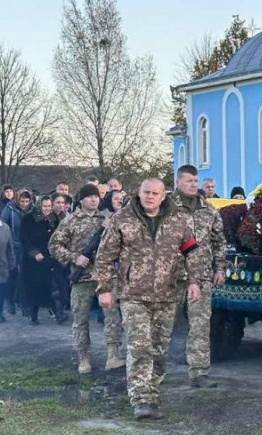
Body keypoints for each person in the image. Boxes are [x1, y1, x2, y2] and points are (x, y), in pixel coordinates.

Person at [94, 178, 204, 419]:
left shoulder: (180, 220)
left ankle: (150, 390)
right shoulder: (122, 219)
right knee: (140, 346)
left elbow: (192, 253)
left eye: (155, 193)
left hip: (167, 294)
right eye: (146, 192)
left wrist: (195, 281)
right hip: (133, 295)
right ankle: (142, 399)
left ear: (163, 195)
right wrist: (104, 288)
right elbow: (104, 257)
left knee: (159, 349)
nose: (150, 197)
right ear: (139, 193)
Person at [50, 183, 124, 374]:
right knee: (81, 319)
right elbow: (54, 245)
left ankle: (112, 355)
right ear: (81, 200)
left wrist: (111, 229)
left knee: (112, 317)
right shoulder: (70, 221)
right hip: (82, 278)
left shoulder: (107, 219)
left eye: (96, 197)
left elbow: (121, 244)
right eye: (89, 197)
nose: (94, 200)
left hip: (106, 276)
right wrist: (75, 257)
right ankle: (84, 358)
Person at [168, 165, 227, 388]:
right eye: (188, 180)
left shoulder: (209, 210)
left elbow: (219, 242)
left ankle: (199, 371)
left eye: (195, 180)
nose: (193, 184)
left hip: (201, 275)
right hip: (171, 276)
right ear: (178, 182)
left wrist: (219, 268)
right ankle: (153, 371)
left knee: (201, 325)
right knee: (163, 324)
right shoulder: (167, 208)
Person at [21, 196, 67, 325]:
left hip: (51, 257)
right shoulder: (28, 219)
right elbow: (24, 238)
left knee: (56, 285)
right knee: (34, 287)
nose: (46, 209)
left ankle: (58, 312)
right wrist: (34, 252)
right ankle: (33, 315)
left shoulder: (54, 219)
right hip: (34, 260)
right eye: (44, 206)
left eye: (48, 206)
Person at [0, 190, 32, 315]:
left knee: (25, 276)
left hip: (27, 245)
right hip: (14, 245)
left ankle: (24, 303)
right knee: (13, 275)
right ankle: (10, 300)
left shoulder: (32, 210)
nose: (24, 204)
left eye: (27, 201)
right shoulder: (9, 209)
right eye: (22, 201)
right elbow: (3, 226)